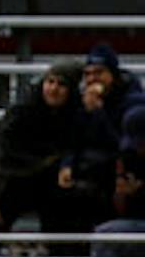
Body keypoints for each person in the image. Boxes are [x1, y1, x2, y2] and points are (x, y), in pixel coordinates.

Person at [0, 58, 81, 236]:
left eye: (61, 84)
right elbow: (5, 152)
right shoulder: (22, 111)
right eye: (50, 82)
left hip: (51, 185)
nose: (53, 89)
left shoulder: (77, 113)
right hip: (13, 178)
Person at [75, 103, 145, 257]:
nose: (137, 147)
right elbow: (120, 210)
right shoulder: (127, 159)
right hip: (139, 230)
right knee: (104, 236)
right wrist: (124, 196)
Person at [59, 43, 138, 227]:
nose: (93, 79)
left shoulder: (133, 102)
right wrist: (67, 164)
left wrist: (98, 113)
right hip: (87, 168)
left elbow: (123, 146)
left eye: (99, 72)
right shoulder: (82, 100)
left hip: (118, 170)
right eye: (88, 74)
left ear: (113, 74)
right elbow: (71, 138)